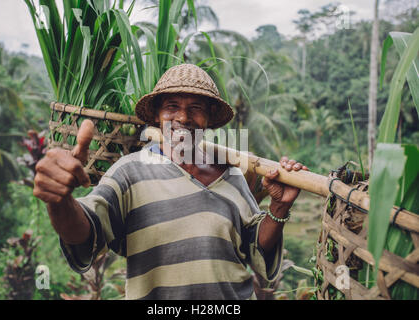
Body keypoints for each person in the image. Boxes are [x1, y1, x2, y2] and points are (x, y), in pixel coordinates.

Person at [33, 64, 308, 300]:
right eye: (172, 107)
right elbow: (85, 236)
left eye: (196, 108)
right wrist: (60, 202)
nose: (183, 118)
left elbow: (255, 248)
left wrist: (279, 208)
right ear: (156, 115)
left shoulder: (233, 175)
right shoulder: (129, 172)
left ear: (209, 119)